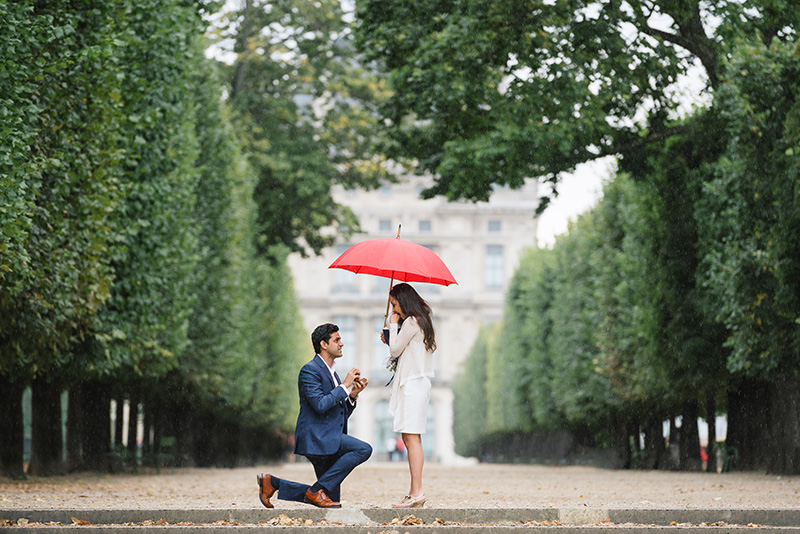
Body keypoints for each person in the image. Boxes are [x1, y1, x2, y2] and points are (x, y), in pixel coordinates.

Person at [257, 323, 372, 509]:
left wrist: (352, 395)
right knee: (363, 449)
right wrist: (344, 386)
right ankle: (312, 491)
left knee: (328, 498)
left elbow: (338, 414)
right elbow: (320, 405)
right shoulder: (309, 370)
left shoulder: (331, 373)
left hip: (327, 436)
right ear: (323, 344)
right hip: (317, 437)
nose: (342, 343)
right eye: (337, 340)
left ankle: (274, 483)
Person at [380, 283, 435, 508]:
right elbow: (400, 350)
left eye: (395, 304)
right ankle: (414, 491)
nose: (393, 309)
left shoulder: (412, 321)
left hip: (413, 384)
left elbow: (395, 351)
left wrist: (393, 326)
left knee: (412, 439)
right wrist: (392, 335)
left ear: (404, 301)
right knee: (410, 438)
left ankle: (417, 492)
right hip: (416, 384)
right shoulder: (418, 321)